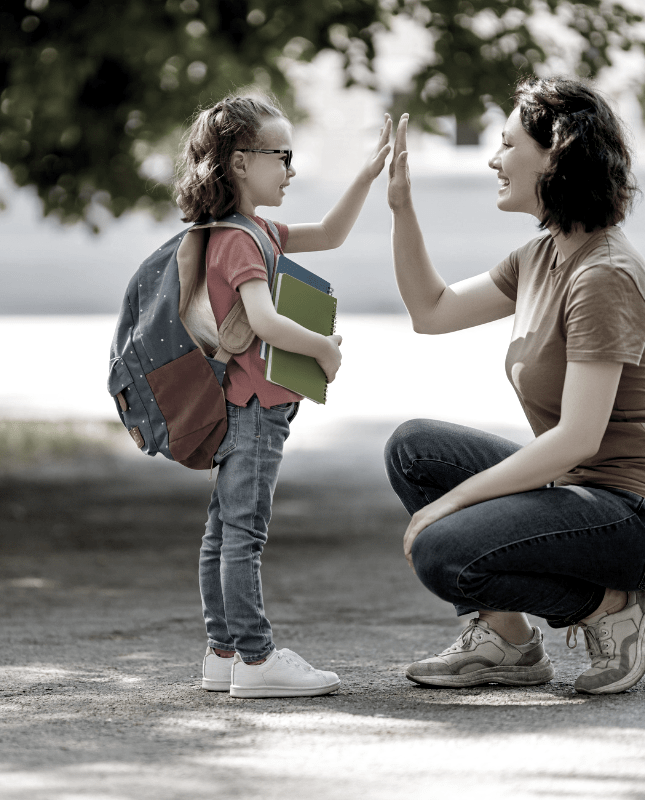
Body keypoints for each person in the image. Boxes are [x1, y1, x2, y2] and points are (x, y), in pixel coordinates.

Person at [383, 77, 645, 695]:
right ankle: (508, 641)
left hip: (639, 514)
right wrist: (401, 206)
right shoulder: (540, 256)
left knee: (443, 550)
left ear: (556, 153)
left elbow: (577, 438)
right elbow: (433, 310)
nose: (493, 159)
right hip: (583, 491)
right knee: (415, 449)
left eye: (506, 143)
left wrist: (451, 504)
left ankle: (613, 606)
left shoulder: (604, 274)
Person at [174, 94, 391, 698]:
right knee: (244, 534)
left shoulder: (253, 230)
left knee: (223, 531)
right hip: (253, 409)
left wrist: (367, 174)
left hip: (241, 407)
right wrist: (323, 349)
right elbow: (264, 321)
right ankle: (256, 658)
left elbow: (331, 233)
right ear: (241, 162)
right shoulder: (240, 240)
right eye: (282, 156)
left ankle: (223, 653)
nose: (291, 171)